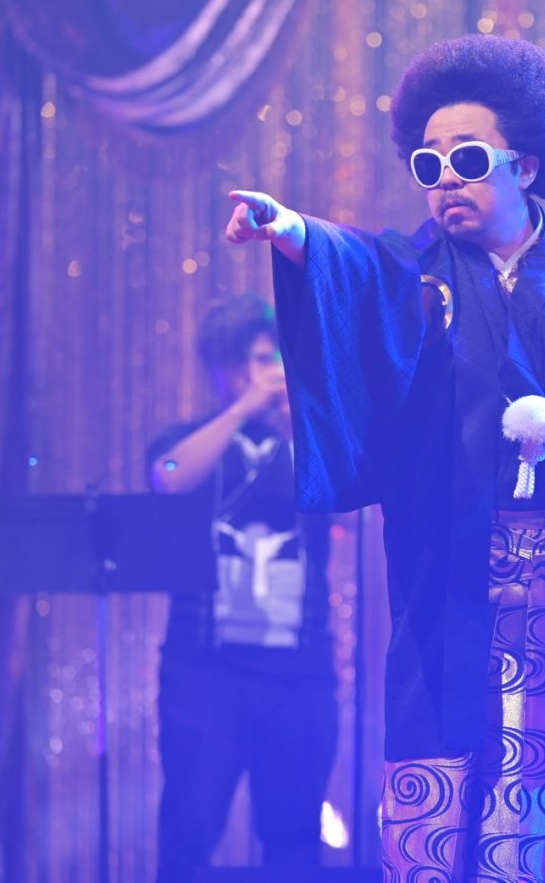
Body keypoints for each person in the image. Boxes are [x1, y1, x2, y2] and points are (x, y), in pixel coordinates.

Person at [224, 34, 545, 880]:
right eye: (429, 163)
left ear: (524, 166)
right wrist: (291, 230)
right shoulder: (414, 274)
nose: (445, 179)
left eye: (466, 158)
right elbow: (355, 269)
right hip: (455, 591)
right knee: (453, 799)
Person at [147, 293, 337, 881]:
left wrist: (298, 421)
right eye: (256, 360)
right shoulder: (194, 439)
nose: (270, 372)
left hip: (299, 674)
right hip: (204, 672)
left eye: (277, 358)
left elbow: (358, 501)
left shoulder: (310, 443)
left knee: (294, 838)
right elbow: (167, 477)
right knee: (189, 829)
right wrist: (243, 409)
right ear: (223, 369)